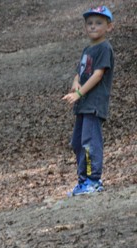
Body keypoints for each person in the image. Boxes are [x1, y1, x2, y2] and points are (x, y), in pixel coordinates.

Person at [61, 6, 115, 196]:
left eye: (99, 23)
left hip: (94, 104)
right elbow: (80, 73)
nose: (93, 27)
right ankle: (82, 180)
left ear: (109, 27)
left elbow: (98, 75)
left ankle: (93, 180)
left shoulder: (104, 48)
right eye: (89, 23)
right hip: (83, 105)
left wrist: (80, 94)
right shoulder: (88, 49)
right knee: (77, 142)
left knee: (89, 142)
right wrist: (75, 85)